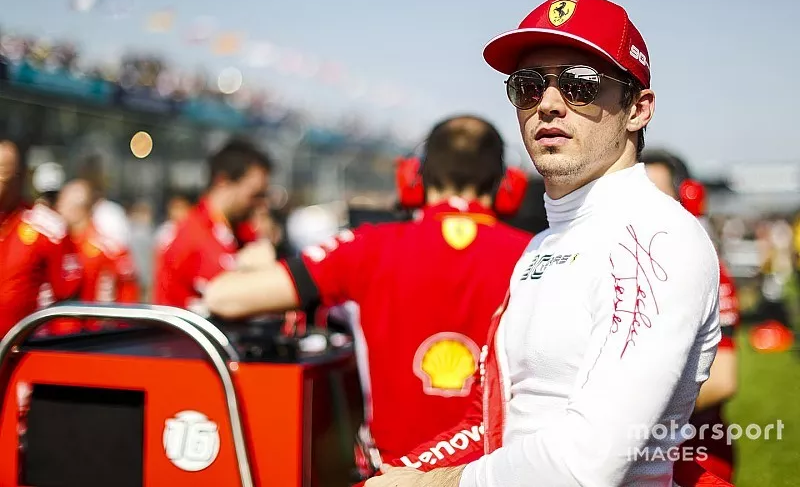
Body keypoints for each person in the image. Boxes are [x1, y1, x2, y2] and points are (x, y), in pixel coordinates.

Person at [367, 0, 729, 487]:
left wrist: (430, 484)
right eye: (529, 86)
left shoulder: (657, 238)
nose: (550, 105)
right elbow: (506, 419)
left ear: (639, 108)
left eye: (581, 85)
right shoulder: (542, 243)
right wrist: (411, 470)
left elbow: (590, 461)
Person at [203, 115, 533, 472]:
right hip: (493, 475)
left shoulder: (369, 246)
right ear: (508, 186)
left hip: (392, 475)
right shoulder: (535, 255)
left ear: (412, 178)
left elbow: (224, 297)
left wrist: (254, 262)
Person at [642, 149, 739, 482]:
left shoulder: (708, 270)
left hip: (696, 459)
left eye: (657, 196)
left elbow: (723, 380)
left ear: (685, 200)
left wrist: (635, 412)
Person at [153, 138, 272, 309]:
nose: (262, 204)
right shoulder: (191, 236)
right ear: (223, 181)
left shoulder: (242, 233)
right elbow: (231, 299)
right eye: (255, 194)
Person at [0, 138, 82, 337]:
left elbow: (67, 300)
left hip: (23, 349)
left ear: (19, 178)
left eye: (3, 175)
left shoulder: (48, 229)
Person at [56, 179, 140, 305]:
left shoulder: (106, 248)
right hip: (59, 321)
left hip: (93, 321)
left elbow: (129, 289)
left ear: (78, 209)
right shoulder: (58, 243)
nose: (58, 209)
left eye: (62, 203)